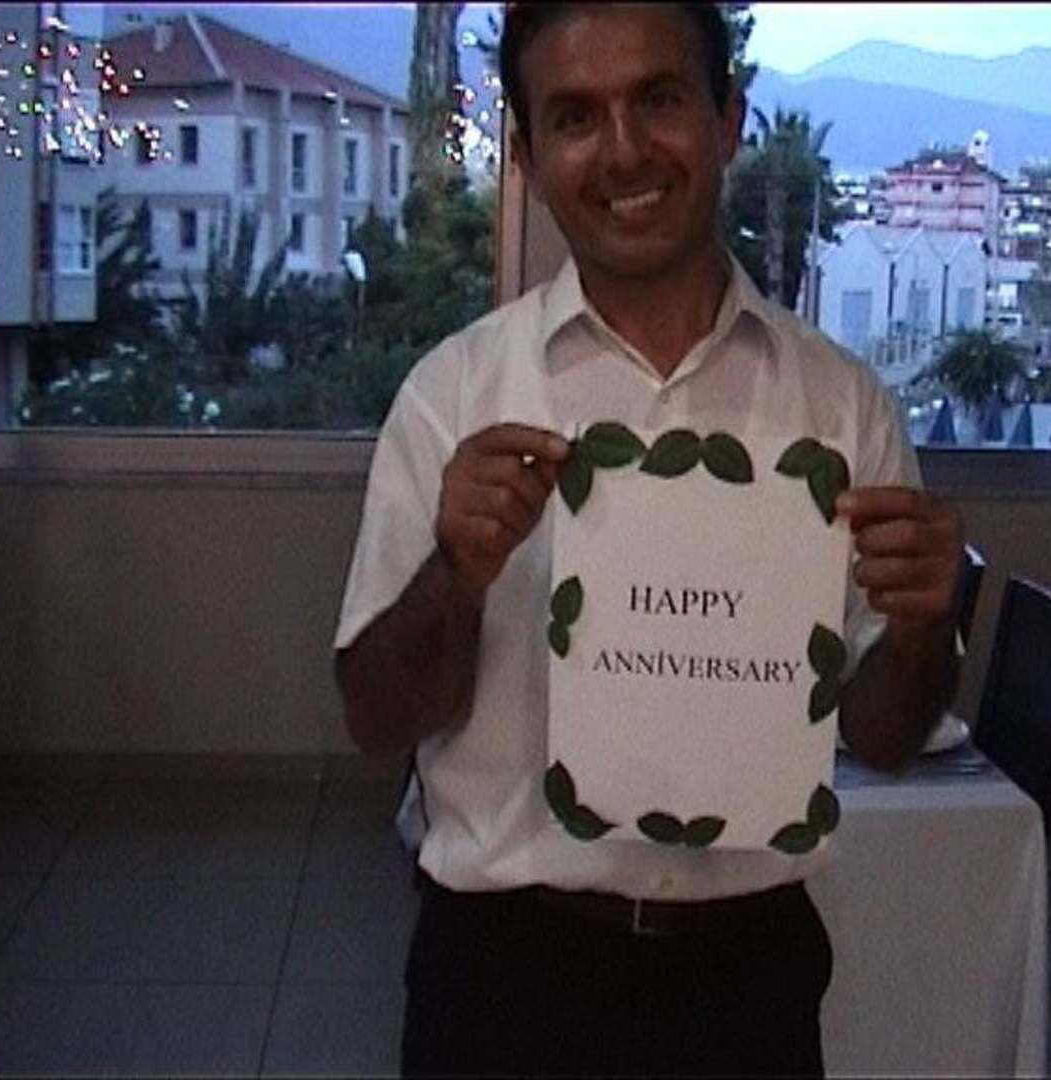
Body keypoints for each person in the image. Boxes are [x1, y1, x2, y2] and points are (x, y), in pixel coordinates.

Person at [333, 4, 965, 1075]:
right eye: (576, 117)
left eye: (659, 99)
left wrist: (921, 632)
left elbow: (887, 737)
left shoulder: (842, 407)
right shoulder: (454, 396)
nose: (624, 151)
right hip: (501, 978)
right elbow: (373, 717)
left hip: (749, 982)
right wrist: (457, 575)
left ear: (728, 119)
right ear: (528, 157)